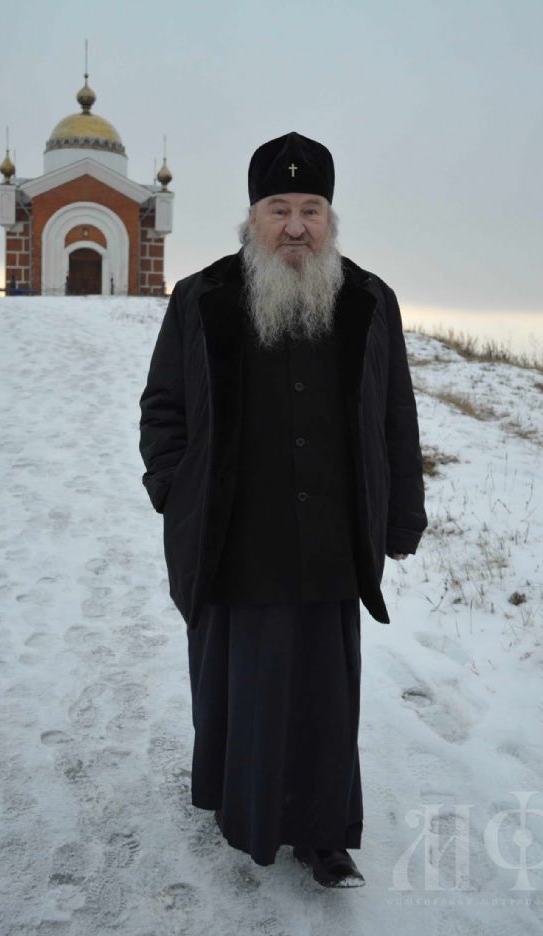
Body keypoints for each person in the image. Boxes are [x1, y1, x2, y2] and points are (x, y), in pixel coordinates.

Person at [138, 131, 427, 887]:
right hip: (236, 536)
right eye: (279, 209)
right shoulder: (202, 297)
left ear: (330, 217)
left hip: (332, 538)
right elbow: (164, 407)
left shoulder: (368, 300)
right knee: (243, 688)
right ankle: (243, 810)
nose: (296, 226)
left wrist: (402, 514)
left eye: (311, 209)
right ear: (253, 216)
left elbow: (395, 414)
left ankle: (324, 836)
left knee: (326, 698)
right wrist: (173, 487)